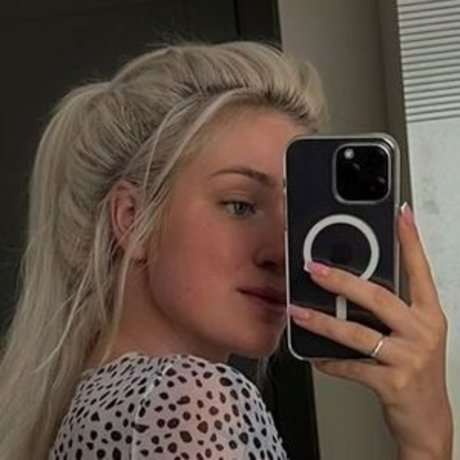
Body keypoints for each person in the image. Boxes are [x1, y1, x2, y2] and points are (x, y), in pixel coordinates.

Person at [0, 41, 453, 460]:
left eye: (294, 215)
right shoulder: (186, 402)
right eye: (240, 205)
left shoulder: (99, 406)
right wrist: (429, 442)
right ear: (132, 219)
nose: (282, 252)